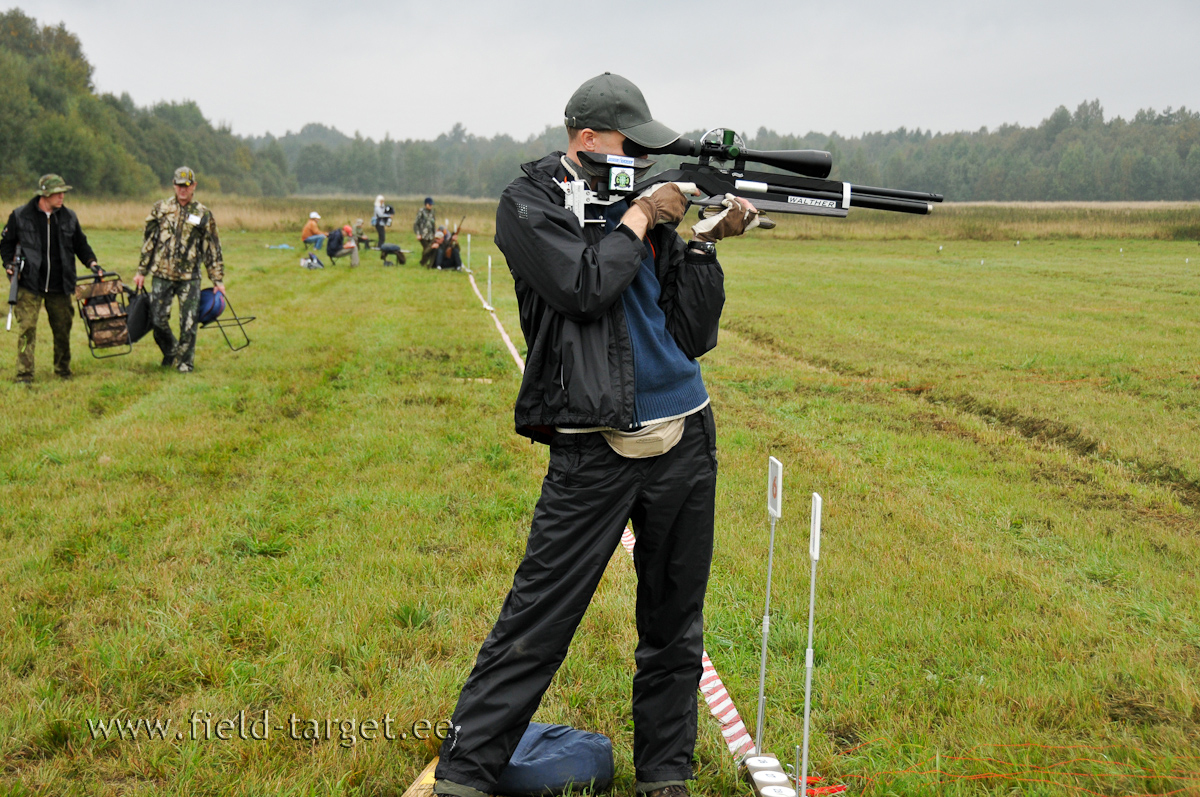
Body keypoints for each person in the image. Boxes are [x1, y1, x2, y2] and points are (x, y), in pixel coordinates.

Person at [432, 73, 758, 797]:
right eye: (626, 146)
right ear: (586, 140)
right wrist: (642, 215)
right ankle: (464, 774)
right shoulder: (530, 204)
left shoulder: (638, 208)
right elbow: (583, 285)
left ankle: (664, 774)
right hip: (593, 444)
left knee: (675, 625)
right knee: (539, 618)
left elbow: (690, 334)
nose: (639, 162)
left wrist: (702, 240)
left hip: (685, 434)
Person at [1, 174, 101, 382]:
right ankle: (24, 374)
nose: (62, 196)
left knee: (63, 329)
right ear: (45, 194)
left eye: (63, 192)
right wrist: (9, 266)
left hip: (60, 283)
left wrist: (92, 262)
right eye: (58, 193)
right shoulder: (20, 216)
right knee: (27, 328)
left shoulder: (69, 217)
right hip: (30, 283)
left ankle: (63, 370)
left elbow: (81, 245)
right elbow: (6, 244)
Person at [134, 166, 224, 373]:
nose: (183, 189)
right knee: (157, 320)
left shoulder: (203, 214)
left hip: (189, 277)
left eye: (187, 185)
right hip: (161, 274)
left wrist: (217, 279)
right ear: (173, 185)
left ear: (194, 186)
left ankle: (185, 364)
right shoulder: (160, 208)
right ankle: (172, 350)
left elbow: (212, 247)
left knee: (189, 323)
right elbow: (149, 241)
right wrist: (141, 271)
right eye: (179, 185)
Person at [414, 197, 437, 267]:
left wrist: (435, 234)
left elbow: (433, 224)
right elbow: (416, 223)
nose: (430, 206)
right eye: (429, 204)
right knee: (427, 248)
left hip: (430, 235)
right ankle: (423, 262)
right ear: (426, 204)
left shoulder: (432, 212)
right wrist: (418, 234)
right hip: (423, 235)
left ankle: (425, 263)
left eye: (431, 205)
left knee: (429, 249)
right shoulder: (421, 212)